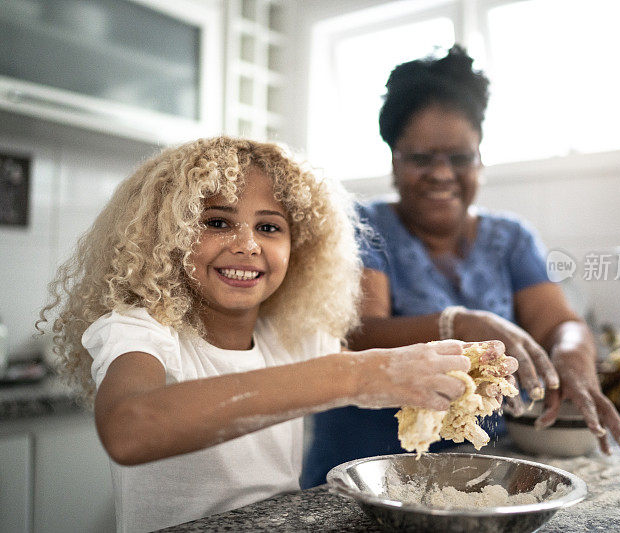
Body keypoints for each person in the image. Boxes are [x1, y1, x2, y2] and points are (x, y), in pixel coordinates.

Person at [36, 136, 482, 532]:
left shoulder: (293, 337)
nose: (247, 244)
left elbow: (389, 375)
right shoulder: (140, 328)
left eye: (269, 227)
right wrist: (354, 375)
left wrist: (467, 372)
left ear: (299, 250)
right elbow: (130, 429)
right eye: (216, 222)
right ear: (166, 234)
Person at [302, 45, 620, 488]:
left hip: (481, 470)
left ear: (480, 158)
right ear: (393, 161)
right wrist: (457, 325)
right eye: (421, 158)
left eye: (460, 158)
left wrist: (574, 356)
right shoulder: (363, 226)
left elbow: (561, 324)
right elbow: (359, 333)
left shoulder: (511, 238)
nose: (442, 174)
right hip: (363, 472)